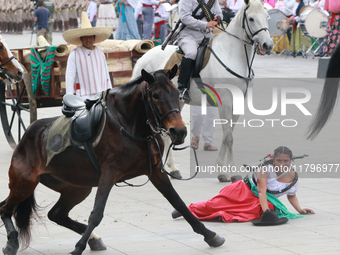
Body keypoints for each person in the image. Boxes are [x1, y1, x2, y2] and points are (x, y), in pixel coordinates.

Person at [172, 146, 315, 223]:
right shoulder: (264, 170)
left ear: (291, 161)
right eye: (278, 160)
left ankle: (220, 215)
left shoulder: (293, 177)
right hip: (243, 191)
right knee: (215, 204)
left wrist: (300, 210)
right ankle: (187, 209)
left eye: (286, 161)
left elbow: (291, 196)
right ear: (273, 161)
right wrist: (266, 212)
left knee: (243, 213)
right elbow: (261, 192)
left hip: (260, 201)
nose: (282, 164)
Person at [177, 0, 222, 101]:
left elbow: (219, 13)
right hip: (189, 35)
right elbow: (185, 18)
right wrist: (205, 24)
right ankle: (182, 88)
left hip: (207, 36)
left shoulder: (212, 1)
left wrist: (218, 18)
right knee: (191, 53)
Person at [63, 12, 112, 99]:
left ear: (94, 38)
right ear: (81, 39)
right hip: (83, 95)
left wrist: (109, 90)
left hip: (101, 92)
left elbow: (105, 72)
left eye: (90, 37)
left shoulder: (99, 52)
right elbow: (70, 75)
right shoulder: (75, 53)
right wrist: (69, 95)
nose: (88, 40)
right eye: (85, 37)